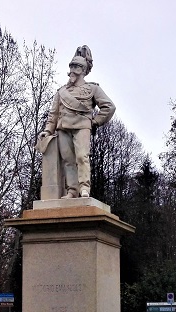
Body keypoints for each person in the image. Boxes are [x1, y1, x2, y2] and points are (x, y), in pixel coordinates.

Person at [38, 45, 115, 199]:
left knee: (82, 157)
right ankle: (72, 191)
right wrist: (48, 130)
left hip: (82, 126)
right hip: (63, 128)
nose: (72, 70)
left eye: (76, 67)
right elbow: (53, 114)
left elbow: (109, 107)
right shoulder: (61, 91)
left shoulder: (92, 89)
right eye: (71, 66)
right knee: (68, 160)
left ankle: (84, 188)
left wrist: (95, 122)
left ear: (82, 69)